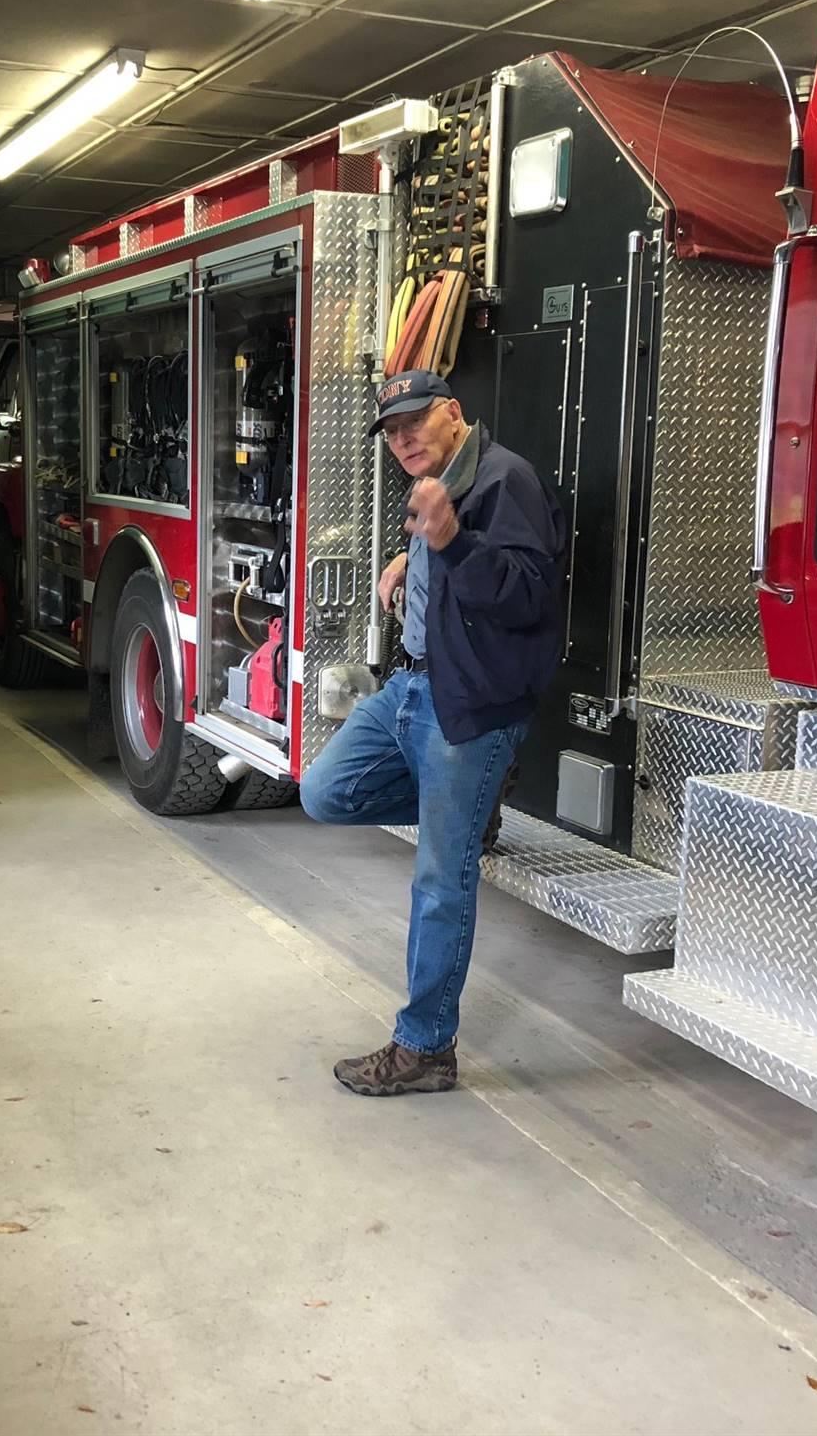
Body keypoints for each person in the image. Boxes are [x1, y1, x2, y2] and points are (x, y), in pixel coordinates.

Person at [300, 371, 566, 1097]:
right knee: (326, 792)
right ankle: (475, 806)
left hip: (469, 704)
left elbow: (526, 596)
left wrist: (446, 542)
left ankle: (425, 1049)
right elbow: (454, 555)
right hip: (411, 686)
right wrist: (412, 554)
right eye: (391, 431)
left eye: (415, 420)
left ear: (454, 413)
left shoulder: (507, 479)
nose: (402, 438)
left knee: (440, 882)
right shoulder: (447, 477)